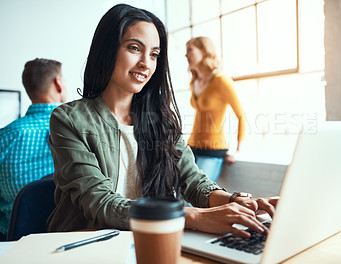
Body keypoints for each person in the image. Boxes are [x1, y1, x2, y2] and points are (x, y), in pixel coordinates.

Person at [47, 4, 278, 238]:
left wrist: (238, 201)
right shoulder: (68, 120)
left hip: (150, 241)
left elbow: (192, 180)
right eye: (134, 48)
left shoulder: (162, 120)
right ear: (107, 49)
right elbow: (99, 202)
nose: (146, 63)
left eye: (154, 54)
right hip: (87, 244)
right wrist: (192, 216)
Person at [0, 58, 67, 240]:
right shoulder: (76, 129)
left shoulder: (5, 136)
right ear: (58, 83)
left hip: (13, 242)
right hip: (70, 236)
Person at [186, 36, 246, 182]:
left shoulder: (221, 80)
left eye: (190, 50)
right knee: (179, 197)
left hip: (213, 150)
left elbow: (241, 115)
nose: (186, 55)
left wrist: (237, 151)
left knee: (196, 198)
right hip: (191, 148)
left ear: (204, 51)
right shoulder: (194, 82)